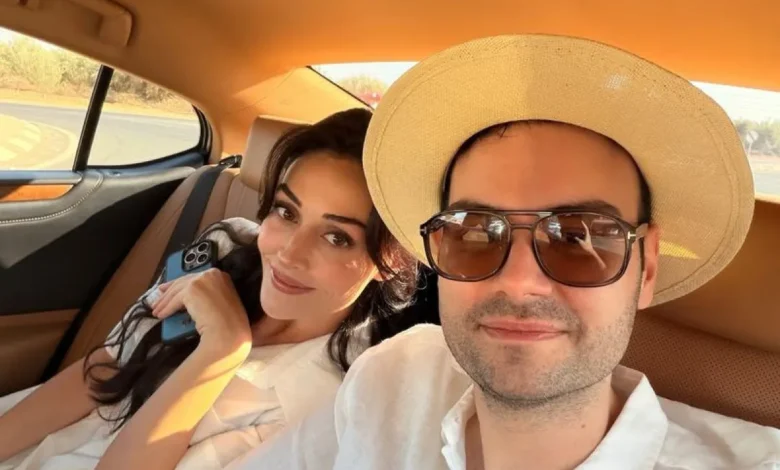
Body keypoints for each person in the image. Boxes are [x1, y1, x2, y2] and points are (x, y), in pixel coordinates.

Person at [229, 35, 780, 469]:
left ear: (647, 267)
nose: (518, 281)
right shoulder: (397, 374)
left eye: (578, 237)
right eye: (474, 232)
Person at [0, 108, 420, 470]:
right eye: (286, 212)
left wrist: (221, 350)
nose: (288, 253)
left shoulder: (330, 404)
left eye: (336, 237)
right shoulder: (224, 249)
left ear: (390, 261)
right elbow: (108, 366)